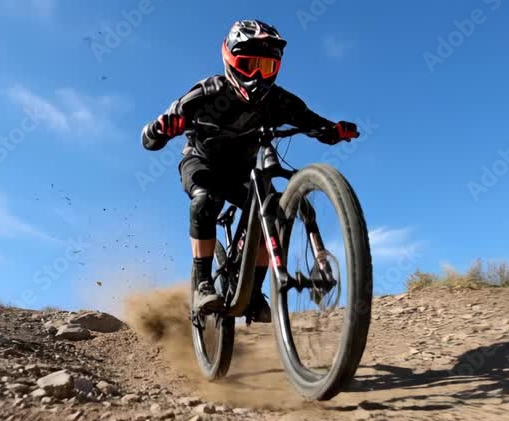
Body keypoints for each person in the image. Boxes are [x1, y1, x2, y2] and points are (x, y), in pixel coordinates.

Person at [141, 19, 359, 323]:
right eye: (249, 65)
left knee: (273, 215)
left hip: (242, 173)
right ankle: (203, 284)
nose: (257, 76)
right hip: (202, 162)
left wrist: (333, 131)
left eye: (266, 67)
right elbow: (149, 139)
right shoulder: (207, 93)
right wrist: (161, 129)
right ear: (230, 61)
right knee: (204, 201)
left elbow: (312, 122)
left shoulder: (279, 101)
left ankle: (253, 294)